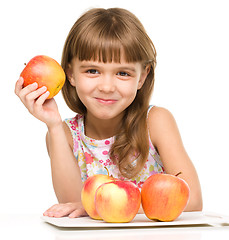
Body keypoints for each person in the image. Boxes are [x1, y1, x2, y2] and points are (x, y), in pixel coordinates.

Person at [15, 8, 202, 218]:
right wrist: (54, 125)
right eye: (92, 71)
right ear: (70, 73)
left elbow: (193, 199)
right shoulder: (65, 134)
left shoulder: (155, 122)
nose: (106, 86)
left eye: (123, 73)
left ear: (142, 77)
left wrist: (108, 208)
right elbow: (72, 205)